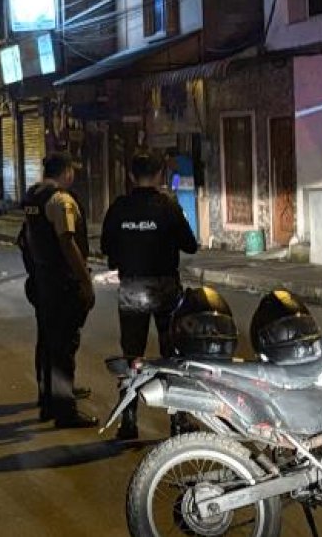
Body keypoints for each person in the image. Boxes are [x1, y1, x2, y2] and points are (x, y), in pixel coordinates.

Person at [100, 151, 199, 440]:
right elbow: (190, 245)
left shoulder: (119, 208)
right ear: (159, 176)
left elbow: (106, 246)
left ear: (132, 176)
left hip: (131, 289)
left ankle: (128, 421)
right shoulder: (167, 207)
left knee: (132, 356)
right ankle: (178, 421)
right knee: (172, 355)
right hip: (165, 290)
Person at [21, 151, 97, 428]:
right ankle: (65, 411)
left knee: (48, 342)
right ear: (66, 172)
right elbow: (67, 242)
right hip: (61, 282)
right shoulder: (60, 200)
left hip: (43, 280)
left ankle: (49, 399)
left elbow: (25, 239)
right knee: (64, 347)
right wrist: (85, 281)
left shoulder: (33, 197)